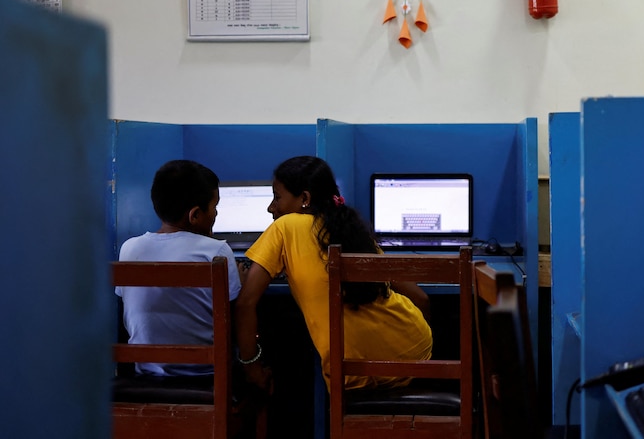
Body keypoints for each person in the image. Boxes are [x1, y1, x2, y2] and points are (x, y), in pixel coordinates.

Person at [235, 156, 432, 393]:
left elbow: (246, 303)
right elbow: (421, 299)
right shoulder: (353, 231)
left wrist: (251, 368)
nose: (271, 207)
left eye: (277, 197)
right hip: (416, 353)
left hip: (352, 373)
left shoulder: (285, 226)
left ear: (305, 199)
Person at [116, 159, 242, 376]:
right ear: (194, 215)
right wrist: (242, 280)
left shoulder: (129, 249)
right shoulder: (217, 252)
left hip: (144, 373)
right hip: (207, 375)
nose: (216, 214)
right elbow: (233, 317)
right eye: (215, 207)